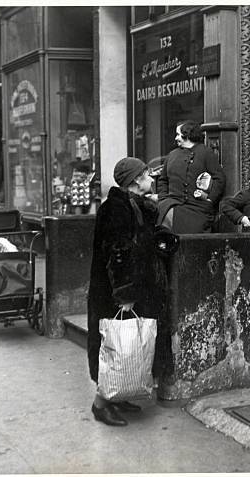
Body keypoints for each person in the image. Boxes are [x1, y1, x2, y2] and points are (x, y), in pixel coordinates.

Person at [87, 157, 169, 426]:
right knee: (115, 346)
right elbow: (117, 253)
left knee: (127, 348)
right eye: (147, 174)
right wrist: (124, 293)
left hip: (136, 287)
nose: (151, 178)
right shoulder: (116, 208)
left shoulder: (135, 205)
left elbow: (141, 242)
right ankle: (101, 403)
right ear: (135, 180)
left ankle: (118, 395)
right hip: (118, 291)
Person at [157, 120, 226, 233]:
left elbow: (219, 178)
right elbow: (163, 180)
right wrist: (163, 199)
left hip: (197, 207)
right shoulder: (172, 155)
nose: (176, 138)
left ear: (187, 134)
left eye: (178, 134)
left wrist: (209, 200)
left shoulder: (205, 153)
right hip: (171, 204)